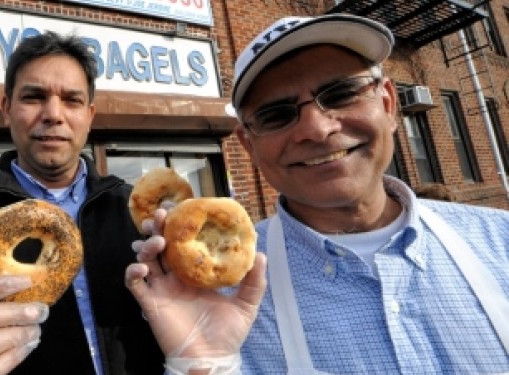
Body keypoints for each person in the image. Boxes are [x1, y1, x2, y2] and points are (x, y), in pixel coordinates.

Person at [0, 30, 268, 375]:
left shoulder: (147, 224)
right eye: (34, 97)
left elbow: (193, 337)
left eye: (72, 100)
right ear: (6, 109)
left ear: (89, 115)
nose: (53, 114)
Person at [138, 13, 509, 374]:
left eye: (341, 93)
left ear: (388, 103)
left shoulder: (500, 241)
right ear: (249, 146)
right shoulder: (222, 293)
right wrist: (205, 364)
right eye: (275, 115)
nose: (316, 129)